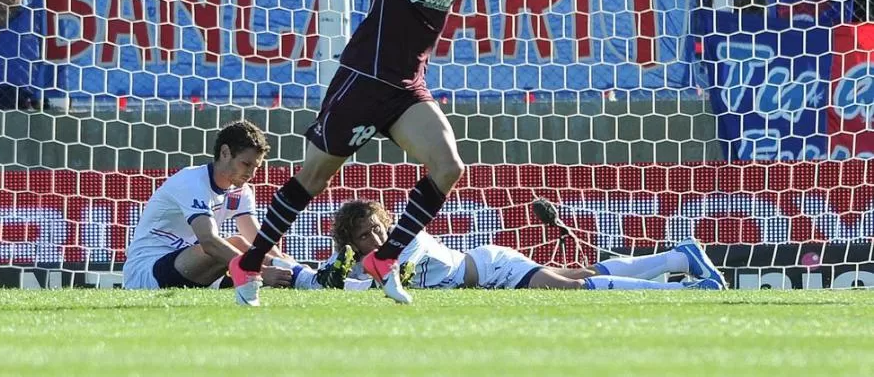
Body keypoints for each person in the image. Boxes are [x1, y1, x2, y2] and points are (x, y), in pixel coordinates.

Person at [228, 0, 600, 306]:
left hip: (407, 88)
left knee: (449, 167)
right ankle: (248, 264)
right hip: (364, 81)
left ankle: (385, 258)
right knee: (313, 178)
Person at [271, 199, 726, 292]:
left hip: (493, 268)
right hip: (488, 267)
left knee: (568, 288)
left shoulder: (406, 243)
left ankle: (683, 290)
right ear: (349, 241)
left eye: (377, 228)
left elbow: (373, 287)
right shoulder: (349, 258)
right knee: (582, 274)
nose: (375, 238)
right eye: (363, 235)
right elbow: (323, 279)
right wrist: (293, 275)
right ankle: (679, 257)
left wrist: (329, 280)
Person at [123, 120, 292, 292]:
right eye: (246, 164)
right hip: (147, 270)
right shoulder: (191, 181)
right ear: (225, 153)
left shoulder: (241, 190)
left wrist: (284, 264)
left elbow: (256, 238)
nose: (252, 173)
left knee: (239, 242)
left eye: (256, 167)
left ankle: (300, 277)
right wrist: (261, 272)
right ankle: (266, 277)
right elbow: (209, 242)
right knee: (221, 246)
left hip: (190, 267)